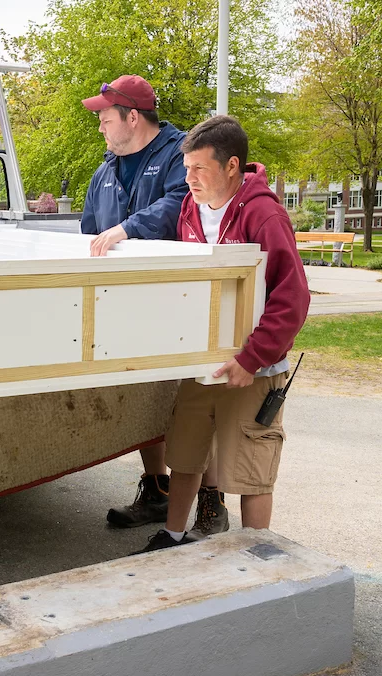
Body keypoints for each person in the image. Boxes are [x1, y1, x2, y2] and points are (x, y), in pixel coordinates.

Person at [133, 115, 310, 553]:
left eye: (198, 169)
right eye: (186, 167)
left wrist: (252, 358)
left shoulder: (264, 214)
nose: (188, 178)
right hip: (202, 363)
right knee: (186, 454)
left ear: (232, 166)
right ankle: (173, 537)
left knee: (252, 464)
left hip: (253, 369)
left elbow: (293, 296)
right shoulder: (192, 209)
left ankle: (255, 553)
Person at [80, 76, 226, 535]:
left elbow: (183, 202)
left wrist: (127, 230)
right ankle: (158, 489)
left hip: (181, 301)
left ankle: (210, 498)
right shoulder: (105, 169)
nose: (101, 127)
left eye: (106, 118)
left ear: (132, 117)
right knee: (147, 400)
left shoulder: (184, 155)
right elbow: (88, 231)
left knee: (196, 401)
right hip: (125, 304)